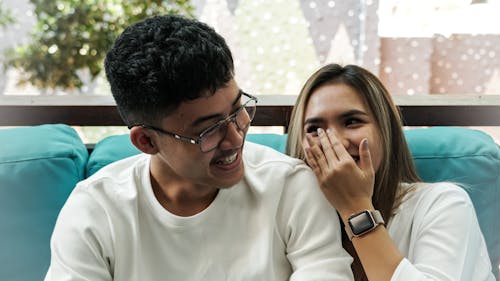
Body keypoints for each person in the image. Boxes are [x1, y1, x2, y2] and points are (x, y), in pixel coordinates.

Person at [44, 15, 354, 280]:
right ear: (147, 141)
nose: (235, 138)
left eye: (237, 110)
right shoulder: (94, 213)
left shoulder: (291, 188)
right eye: (209, 129)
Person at [286, 63, 495, 281]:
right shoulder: (292, 220)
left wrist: (355, 206)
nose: (335, 141)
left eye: (352, 122)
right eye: (314, 129)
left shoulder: (444, 205)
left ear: (385, 133)